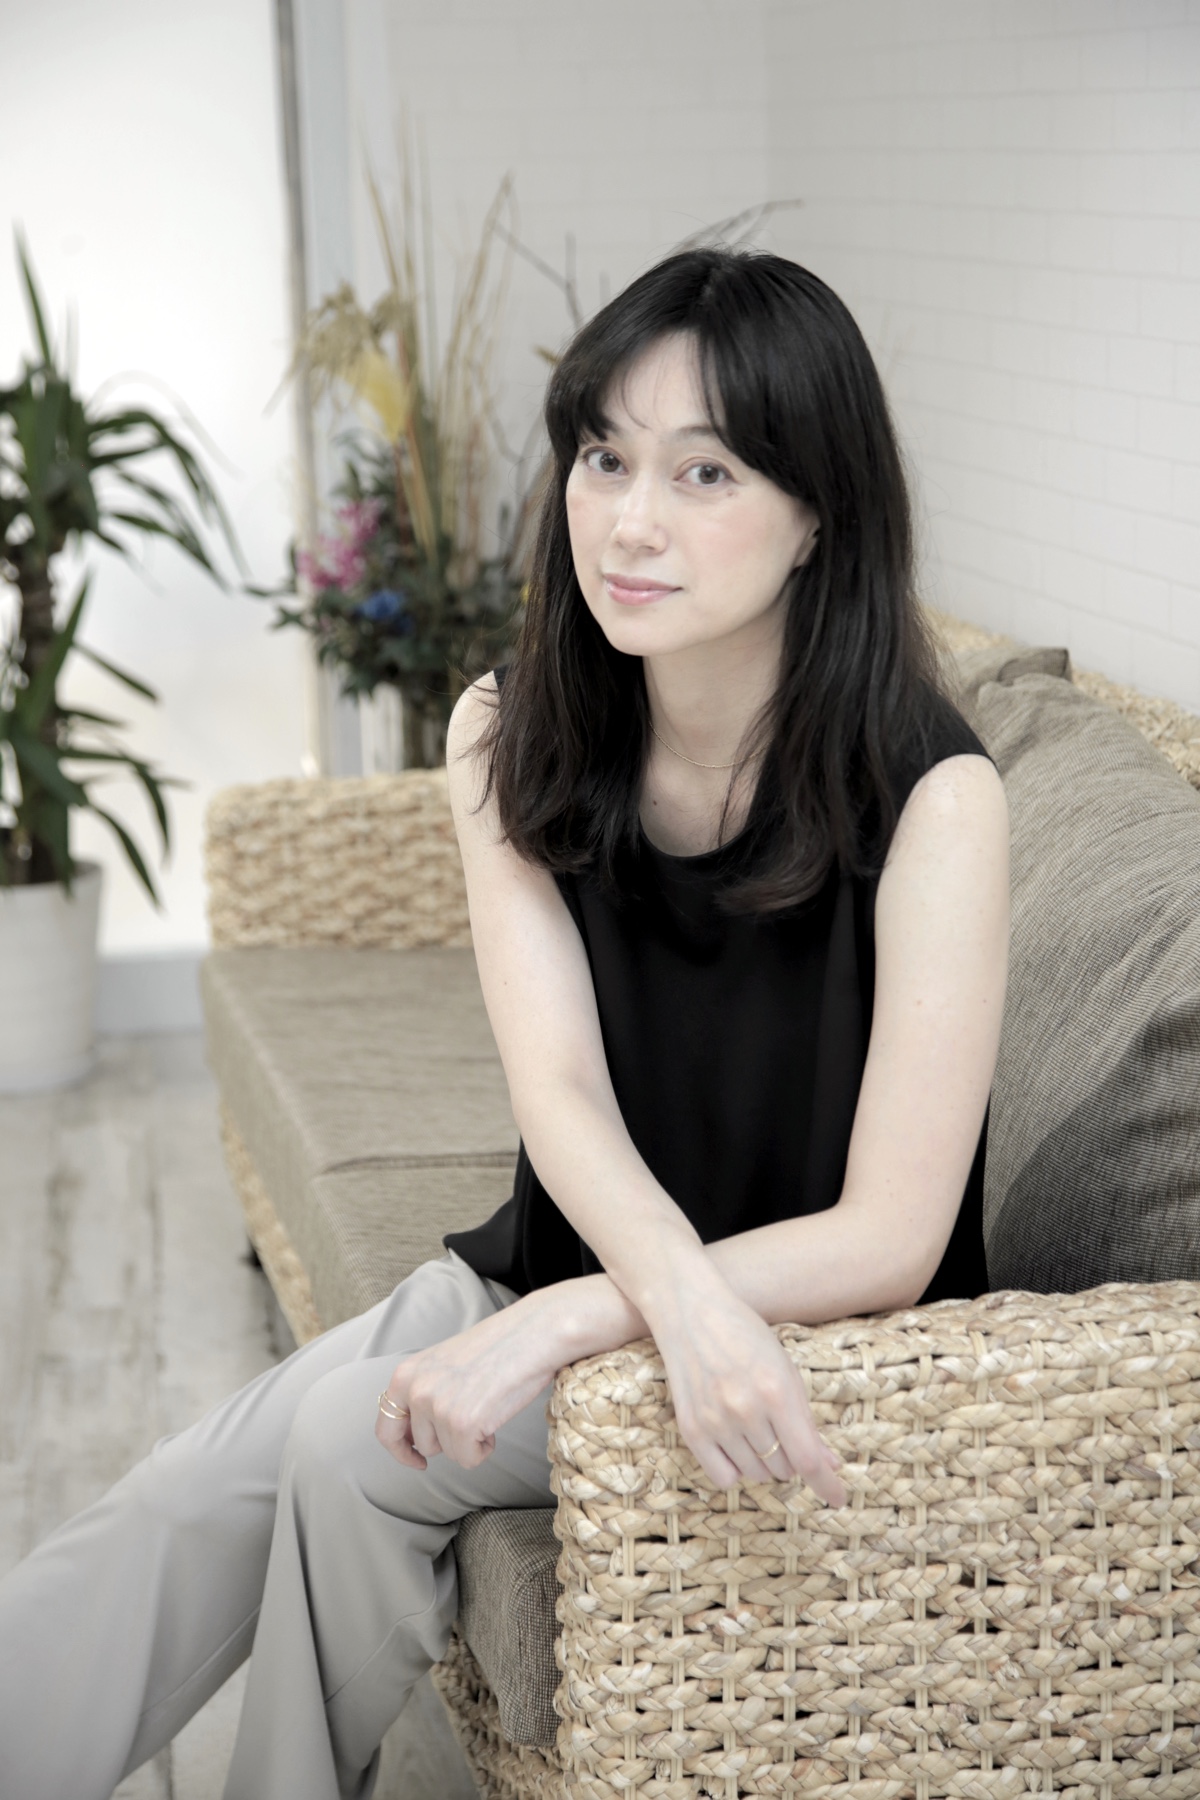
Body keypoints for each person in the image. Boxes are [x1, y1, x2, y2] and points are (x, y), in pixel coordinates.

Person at [0, 248, 1008, 1800]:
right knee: (184, 1501)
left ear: (820, 515)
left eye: (706, 471)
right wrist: (571, 1303)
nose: (631, 520)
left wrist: (583, 1317)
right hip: (577, 1272)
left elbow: (893, 1234)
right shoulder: (511, 728)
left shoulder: (938, 797)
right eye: (605, 457)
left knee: (357, 1447)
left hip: (811, 1342)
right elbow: (560, 1095)